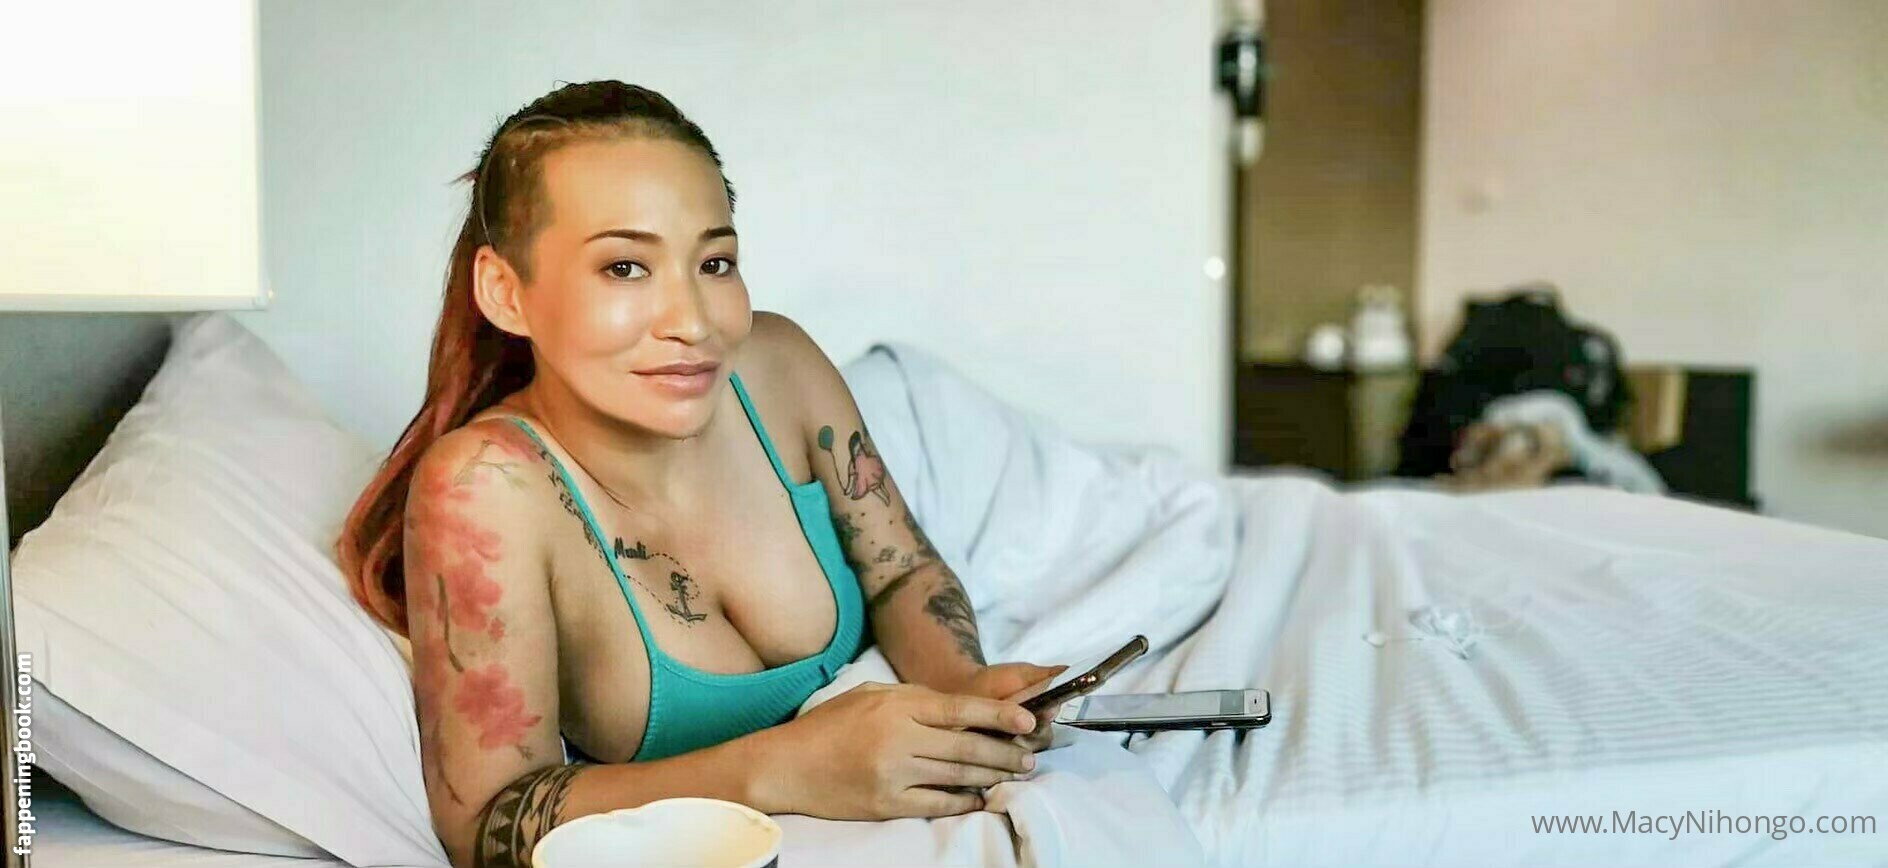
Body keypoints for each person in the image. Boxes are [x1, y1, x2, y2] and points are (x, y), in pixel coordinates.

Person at [335, 80, 1068, 868]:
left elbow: (900, 573)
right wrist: (788, 767)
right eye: (624, 268)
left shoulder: (780, 366)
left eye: (715, 262)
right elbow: (486, 820)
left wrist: (968, 692)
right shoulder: (485, 489)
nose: (692, 320)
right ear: (506, 293)